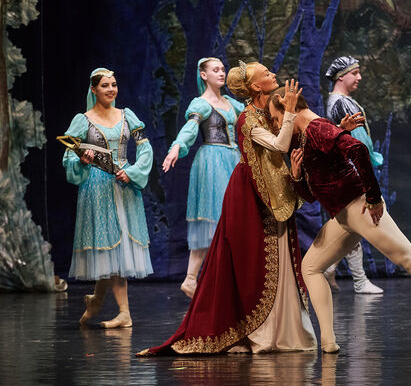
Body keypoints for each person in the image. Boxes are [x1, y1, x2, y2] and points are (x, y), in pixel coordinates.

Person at [267, 93, 411, 353]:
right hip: (343, 217)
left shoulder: (316, 128)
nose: (277, 126)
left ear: (290, 110)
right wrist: (297, 176)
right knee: (311, 267)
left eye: (277, 119)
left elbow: (358, 150)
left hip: (360, 209)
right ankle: (328, 342)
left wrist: (373, 197)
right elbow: (313, 194)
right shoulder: (308, 135)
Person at [138, 62, 316, 356]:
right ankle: (254, 328)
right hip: (247, 188)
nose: (273, 74)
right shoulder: (245, 117)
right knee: (251, 258)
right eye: (266, 74)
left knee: (278, 255)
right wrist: (176, 147)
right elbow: (280, 145)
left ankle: (284, 328)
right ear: (256, 86)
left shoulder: (245, 108)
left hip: (272, 187)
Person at [62, 68, 153, 328]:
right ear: (94, 89)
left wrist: (133, 172)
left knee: (118, 247)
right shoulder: (83, 120)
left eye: (113, 84)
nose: (111, 89)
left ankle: (107, 306)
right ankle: (112, 307)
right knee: (109, 246)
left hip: (124, 184)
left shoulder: (127, 116)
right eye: (104, 85)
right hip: (97, 187)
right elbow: (68, 155)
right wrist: (82, 160)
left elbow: (145, 147)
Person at [161, 57, 244, 298]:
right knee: (213, 220)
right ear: (204, 75)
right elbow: (190, 129)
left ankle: (222, 280)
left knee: (233, 221)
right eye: (215, 70)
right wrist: (177, 146)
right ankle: (191, 278)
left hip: (234, 160)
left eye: (223, 69)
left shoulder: (230, 103)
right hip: (213, 162)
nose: (221, 73)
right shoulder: (202, 103)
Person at [323, 56, 383, 294]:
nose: (359, 77)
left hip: (349, 167)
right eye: (354, 73)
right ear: (341, 77)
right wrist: (366, 161)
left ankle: (333, 269)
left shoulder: (340, 101)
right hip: (350, 168)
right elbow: (356, 140)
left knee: (350, 226)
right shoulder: (341, 103)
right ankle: (358, 279)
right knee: (357, 224)